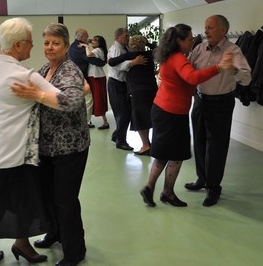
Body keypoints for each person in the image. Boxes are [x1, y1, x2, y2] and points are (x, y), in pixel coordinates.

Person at [0, 17, 62, 264]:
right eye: (31, 43)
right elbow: (60, 100)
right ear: (17, 45)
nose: (34, 47)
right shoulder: (26, 76)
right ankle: (22, 244)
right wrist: (84, 89)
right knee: (22, 200)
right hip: (14, 152)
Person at [12, 23, 89, 266]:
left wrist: (37, 95)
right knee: (48, 196)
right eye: (46, 42)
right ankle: (55, 233)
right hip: (47, 147)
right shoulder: (46, 68)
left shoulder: (69, 70)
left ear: (66, 46)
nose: (50, 47)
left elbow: (74, 101)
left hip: (70, 148)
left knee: (65, 201)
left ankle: (75, 251)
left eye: (56, 43)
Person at [139, 24, 235, 208]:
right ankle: (166, 192)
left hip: (162, 109)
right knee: (176, 154)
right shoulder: (178, 58)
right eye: (190, 39)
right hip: (172, 113)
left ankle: (150, 188)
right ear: (178, 41)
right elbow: (192, 78)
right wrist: (219, 67)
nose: (193, 41)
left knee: (162, 153)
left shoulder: (168, 56)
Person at [186, 15, 252, 207]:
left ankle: (213, 187)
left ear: (223, 30)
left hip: (221, 103)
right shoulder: (198, 49)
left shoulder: (233, 50)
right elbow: (188, 70)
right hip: (200, 101)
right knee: (198, 141)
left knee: (216, 147)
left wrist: (232, 69)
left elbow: (247, 79)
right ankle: (202, 179)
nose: (206, 31)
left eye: (211, 27)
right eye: (205, 27)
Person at [108, 35, 157, 155]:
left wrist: (131, 62)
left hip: (137, 92)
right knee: (149, 116)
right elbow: (157, 47)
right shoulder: (150, 54)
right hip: (151, 90)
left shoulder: (130, 56)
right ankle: (149, 144)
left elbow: (111, 62)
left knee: (139, 118)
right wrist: (147, 43)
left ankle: (145, 146)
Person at [107, 28, 143, 151]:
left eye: (128, 36)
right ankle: (121, 141)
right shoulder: (116, 49)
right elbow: (118, 67)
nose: (128, 38)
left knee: (126, 113)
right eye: (126, 36)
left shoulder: (124, 48)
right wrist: (134, 63)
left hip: (122, 84)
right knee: (123, 114)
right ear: (117, 37)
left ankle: (117, 135)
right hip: (116, 84)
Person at [68, 28, 105, 128]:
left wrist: (87, 43)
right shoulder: (80, 48)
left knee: (81, 99)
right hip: (80, 77)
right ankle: (86, 122)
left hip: (75, 76)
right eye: (87, 36)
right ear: (81, 37)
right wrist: (103, 62)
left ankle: (79, 120)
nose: (89, 38)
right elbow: (90, 59)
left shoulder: (73, 46)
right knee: (88, 99)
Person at [81, 35, 109, 129]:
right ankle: (103, 121)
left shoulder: (97, 50)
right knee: (97, 99)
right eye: (93, 40)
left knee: (98, 99)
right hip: (96, 76)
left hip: (96, 76)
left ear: (99, 43)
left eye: (95, 40)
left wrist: (86, 46)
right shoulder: (100, 50)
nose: (93, 41)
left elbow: (88, 55)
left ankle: (105, 122)